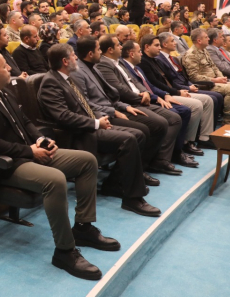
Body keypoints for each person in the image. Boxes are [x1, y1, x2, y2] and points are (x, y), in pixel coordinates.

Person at [0, 50, 118, 280]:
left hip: (28, 153)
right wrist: (30, 151)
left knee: (87, 161)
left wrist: (41, 139)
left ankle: (83, 228)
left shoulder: (4, 92)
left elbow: (26, 122)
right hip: (7, 165)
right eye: (5, 67)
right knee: (55, 180)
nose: (10, 69)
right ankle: (64, 251)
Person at [38, 43, 160, 217]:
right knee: (129, 138)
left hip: (89, 125)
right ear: (65, 61)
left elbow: (84, 105)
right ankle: (133, 199)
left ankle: (115, 183)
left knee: (138, 134)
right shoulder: (51, 82)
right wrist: (95, 123)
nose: (76, 58)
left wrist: (100, 117)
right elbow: (63, 116)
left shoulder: (67, 78)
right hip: (77, 133)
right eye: (73, 56)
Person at [95, 34, 184, 176]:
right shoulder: (103, 64)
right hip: (129, 102)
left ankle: (159, 160)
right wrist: (139, 98)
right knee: (159, 123)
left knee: (175, 118)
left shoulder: (119, 61)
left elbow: (135, 81)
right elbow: (118, 88)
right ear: (110, 50)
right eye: (118, 45)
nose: (121, 47)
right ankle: (143, 165)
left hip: (141, 98)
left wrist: (145, 92)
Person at [120, 40, 197, 169]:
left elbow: (149, 86)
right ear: (132, 54)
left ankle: (176, 150)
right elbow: (135, 90)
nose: (141, 54)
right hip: (142, 101)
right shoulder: (127, 67)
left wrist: (164, 94)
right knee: (174, 115)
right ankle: (161, 157)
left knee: (184, 111)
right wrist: (158, 97)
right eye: (139, 52)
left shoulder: (137, 67)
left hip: (153, 97)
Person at [139, 35, 216, 157]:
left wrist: (180, 90)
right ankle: (186, 142)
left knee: (208, 100)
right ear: (147, 47)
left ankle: (204, 138)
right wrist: (177, 92)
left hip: (170, 91)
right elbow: (154, 84)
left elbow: (170, 79)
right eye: (157, 45)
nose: (160, 48)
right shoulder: (143, 62)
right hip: (164, 94)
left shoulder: (155, 60)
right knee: (196, 105)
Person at [182, 28, 230, 126]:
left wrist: (222, 78)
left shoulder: (204, 50)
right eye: (206, 37)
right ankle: (228, 119)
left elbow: (214, 67)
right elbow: (194, 77)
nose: (209, 39)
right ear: (199, 41)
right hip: (206, 84)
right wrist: (215, 80)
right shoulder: (191, 55)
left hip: (216, 81)